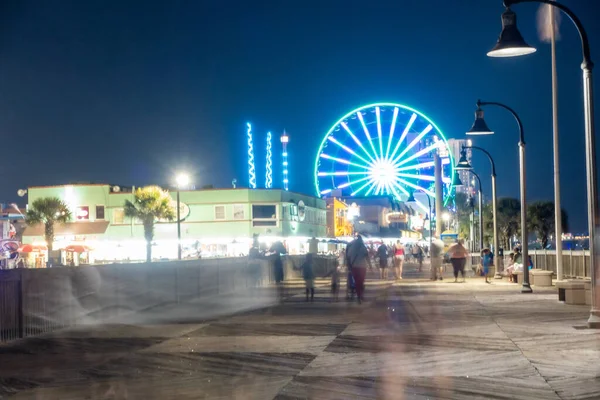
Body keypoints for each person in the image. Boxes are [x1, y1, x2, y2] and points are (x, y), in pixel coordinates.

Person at [345, 235, 372, 303]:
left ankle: (359, 296)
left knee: (357, 282)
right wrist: (370, 266)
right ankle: (360, 295)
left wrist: (348, 266)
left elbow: (348, 257)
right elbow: (367, 257)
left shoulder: (351, 247)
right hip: (362, 267)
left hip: (354, 267)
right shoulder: (363, 247)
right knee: (361, 282)